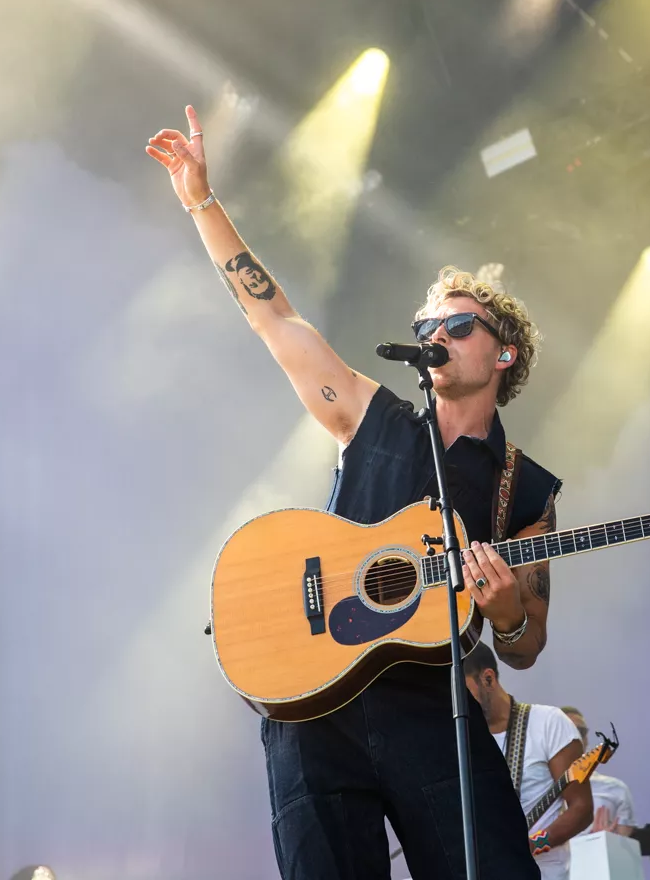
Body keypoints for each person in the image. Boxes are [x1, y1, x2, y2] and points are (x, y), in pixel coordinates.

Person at [147, 107, 563, 879]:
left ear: (503, 353)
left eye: (458, 325)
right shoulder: (373, 416)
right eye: (428, 323)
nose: (436, 333)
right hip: (315, 708)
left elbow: (526, 642)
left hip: (432, 711)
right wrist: (201, 202)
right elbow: (275, 319)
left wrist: (505, 610)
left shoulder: (523, 487)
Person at [463, 642, 593, 880]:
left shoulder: (548, 722)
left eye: (464, 693)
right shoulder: (463, 742)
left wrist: (533, 844)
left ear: (488, 679)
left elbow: (581, 809)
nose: (459, 704)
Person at [560, 706, 636, 837]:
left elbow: (624, 846)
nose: (575, 737)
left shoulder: (616, 790)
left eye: (581, 731)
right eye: (566, 730)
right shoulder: (530, 793)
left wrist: (607, 841)